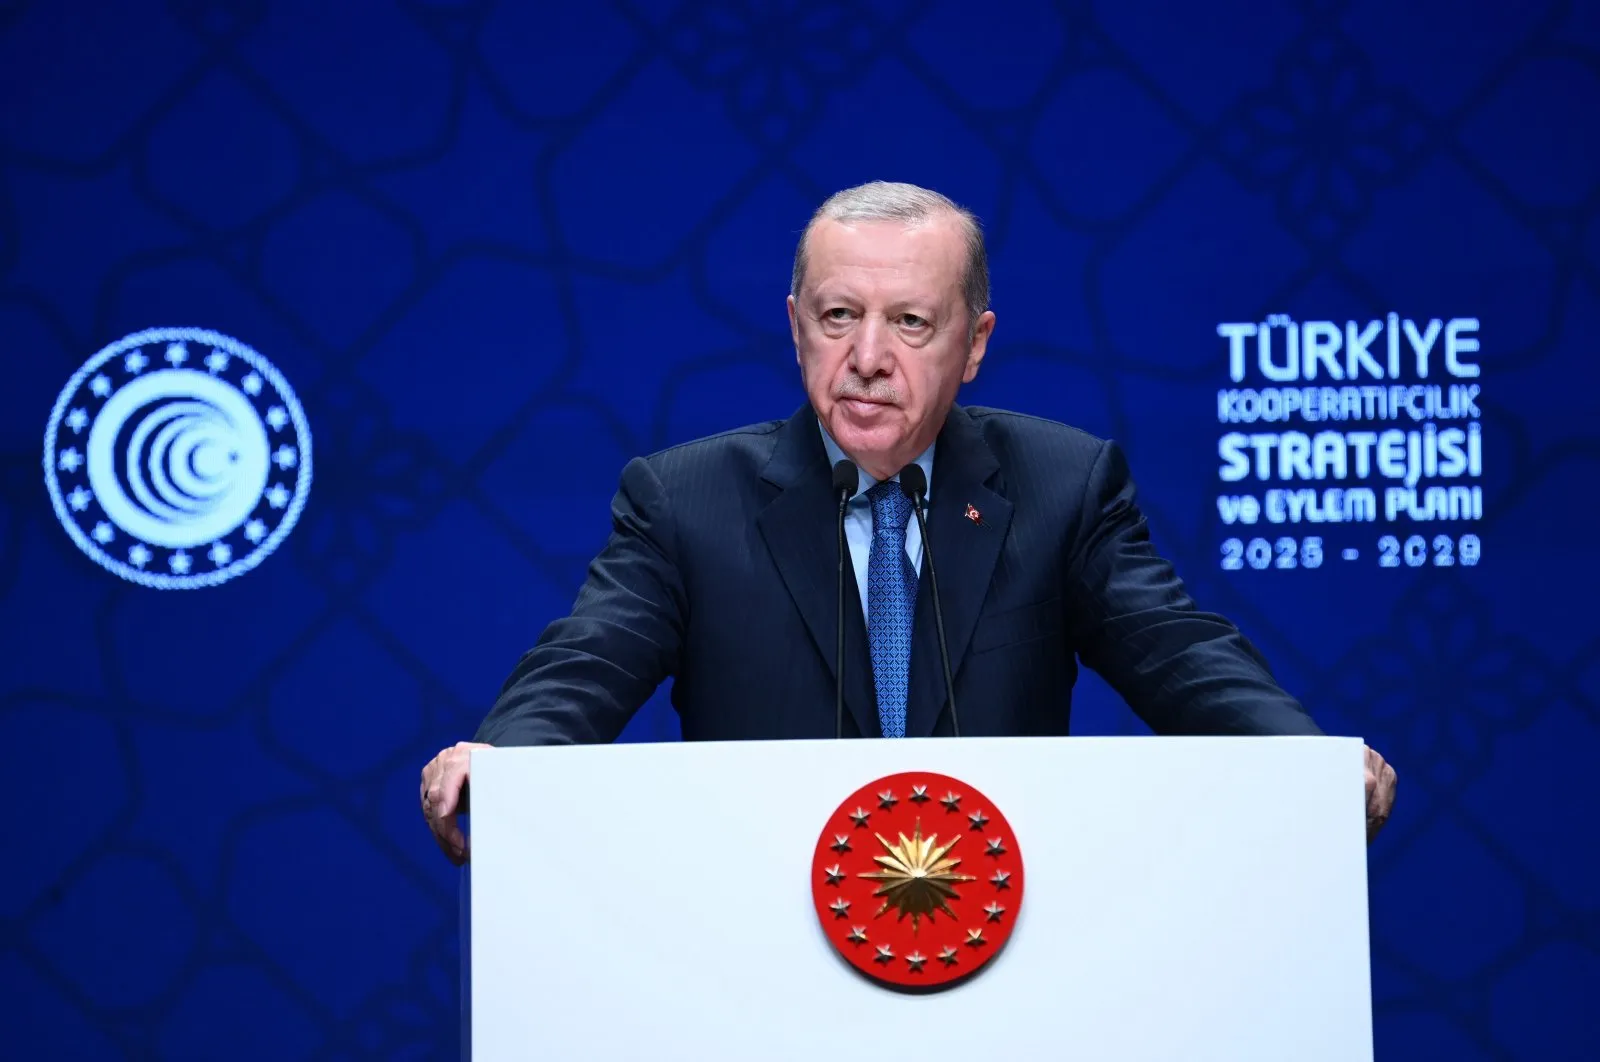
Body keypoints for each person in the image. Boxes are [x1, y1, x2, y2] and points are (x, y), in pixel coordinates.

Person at [419, 181, 1398, 863]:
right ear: (797, 324)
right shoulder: (686, 500)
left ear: (973, 345)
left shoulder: (1061, 487)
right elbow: (588, 660)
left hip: (1009, 946)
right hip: (753, 953)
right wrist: (505, 766)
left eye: (911, 323)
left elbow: (1179, 656)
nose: (868, 356)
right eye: (839, 317)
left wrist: (1301, 767)